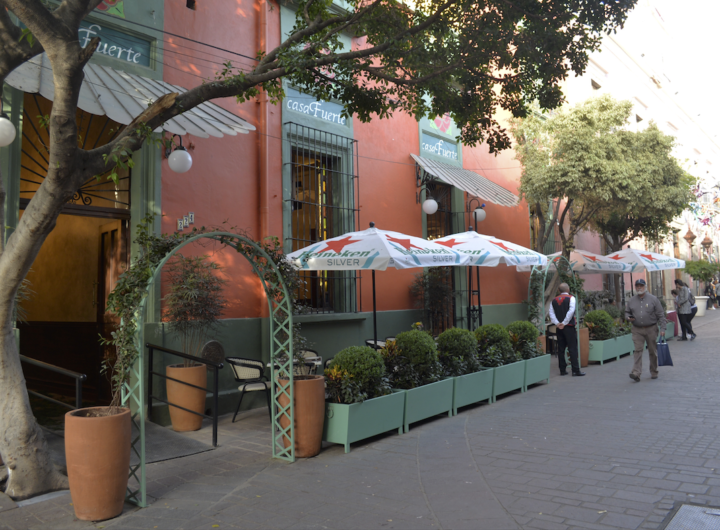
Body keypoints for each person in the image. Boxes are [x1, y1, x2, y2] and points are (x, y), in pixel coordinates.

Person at [625, 278, 666, 382]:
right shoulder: (631, 300)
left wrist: (663, 328)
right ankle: (636, 373)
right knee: (638, 350)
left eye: (641, 286)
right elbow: (626, 312)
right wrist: (628, 317)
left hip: (651, 328)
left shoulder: (653, 299)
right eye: (637, 286)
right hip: (637, 329)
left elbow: (661, 314)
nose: (639, 287)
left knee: (652, 351)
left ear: (645, 287)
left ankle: (654, 371)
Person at [549, 283, 585, 377]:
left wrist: (558, 323)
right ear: (568, 289)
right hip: (569, 326)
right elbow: (571, 311)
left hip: (559, 328)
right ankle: (575, 370)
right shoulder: (571, 298)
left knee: (561, 349)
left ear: (559, 291)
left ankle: (562, 370)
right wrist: (564, 323)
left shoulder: (553, 300)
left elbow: (551, 314)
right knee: (572, 348)